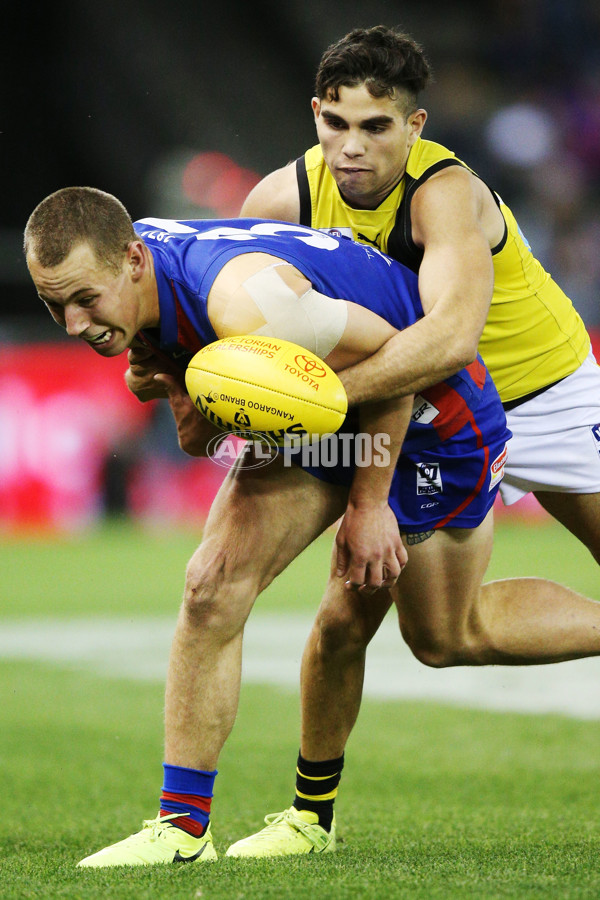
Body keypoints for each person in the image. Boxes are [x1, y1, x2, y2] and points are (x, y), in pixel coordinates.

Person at [24, 185, 590, 868]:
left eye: (85, 300)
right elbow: (201, 433)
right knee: (212, 586)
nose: (72, 324)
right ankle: (183, 831)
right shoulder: (133, 266)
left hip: (424, 414)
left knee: (445, 636)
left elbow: (398, 360)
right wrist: (177, 385)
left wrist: (368, 503)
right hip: (318, 401)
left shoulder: (246, 304)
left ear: (133, 260)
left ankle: (302, 815)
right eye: (53, 305)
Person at [230, 25, 600, 856]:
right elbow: (227, 319)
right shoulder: (277, 202)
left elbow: (449, 339)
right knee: (404, 631)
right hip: (433, 417)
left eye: (377, 127)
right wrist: (180, 383)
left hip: (546, 394)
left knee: (405, 622)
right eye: (337, 124)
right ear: (315, 114)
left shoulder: (446, 194)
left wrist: (309, 400)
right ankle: (308, 820)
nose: (352, 147)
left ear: (417, 125)